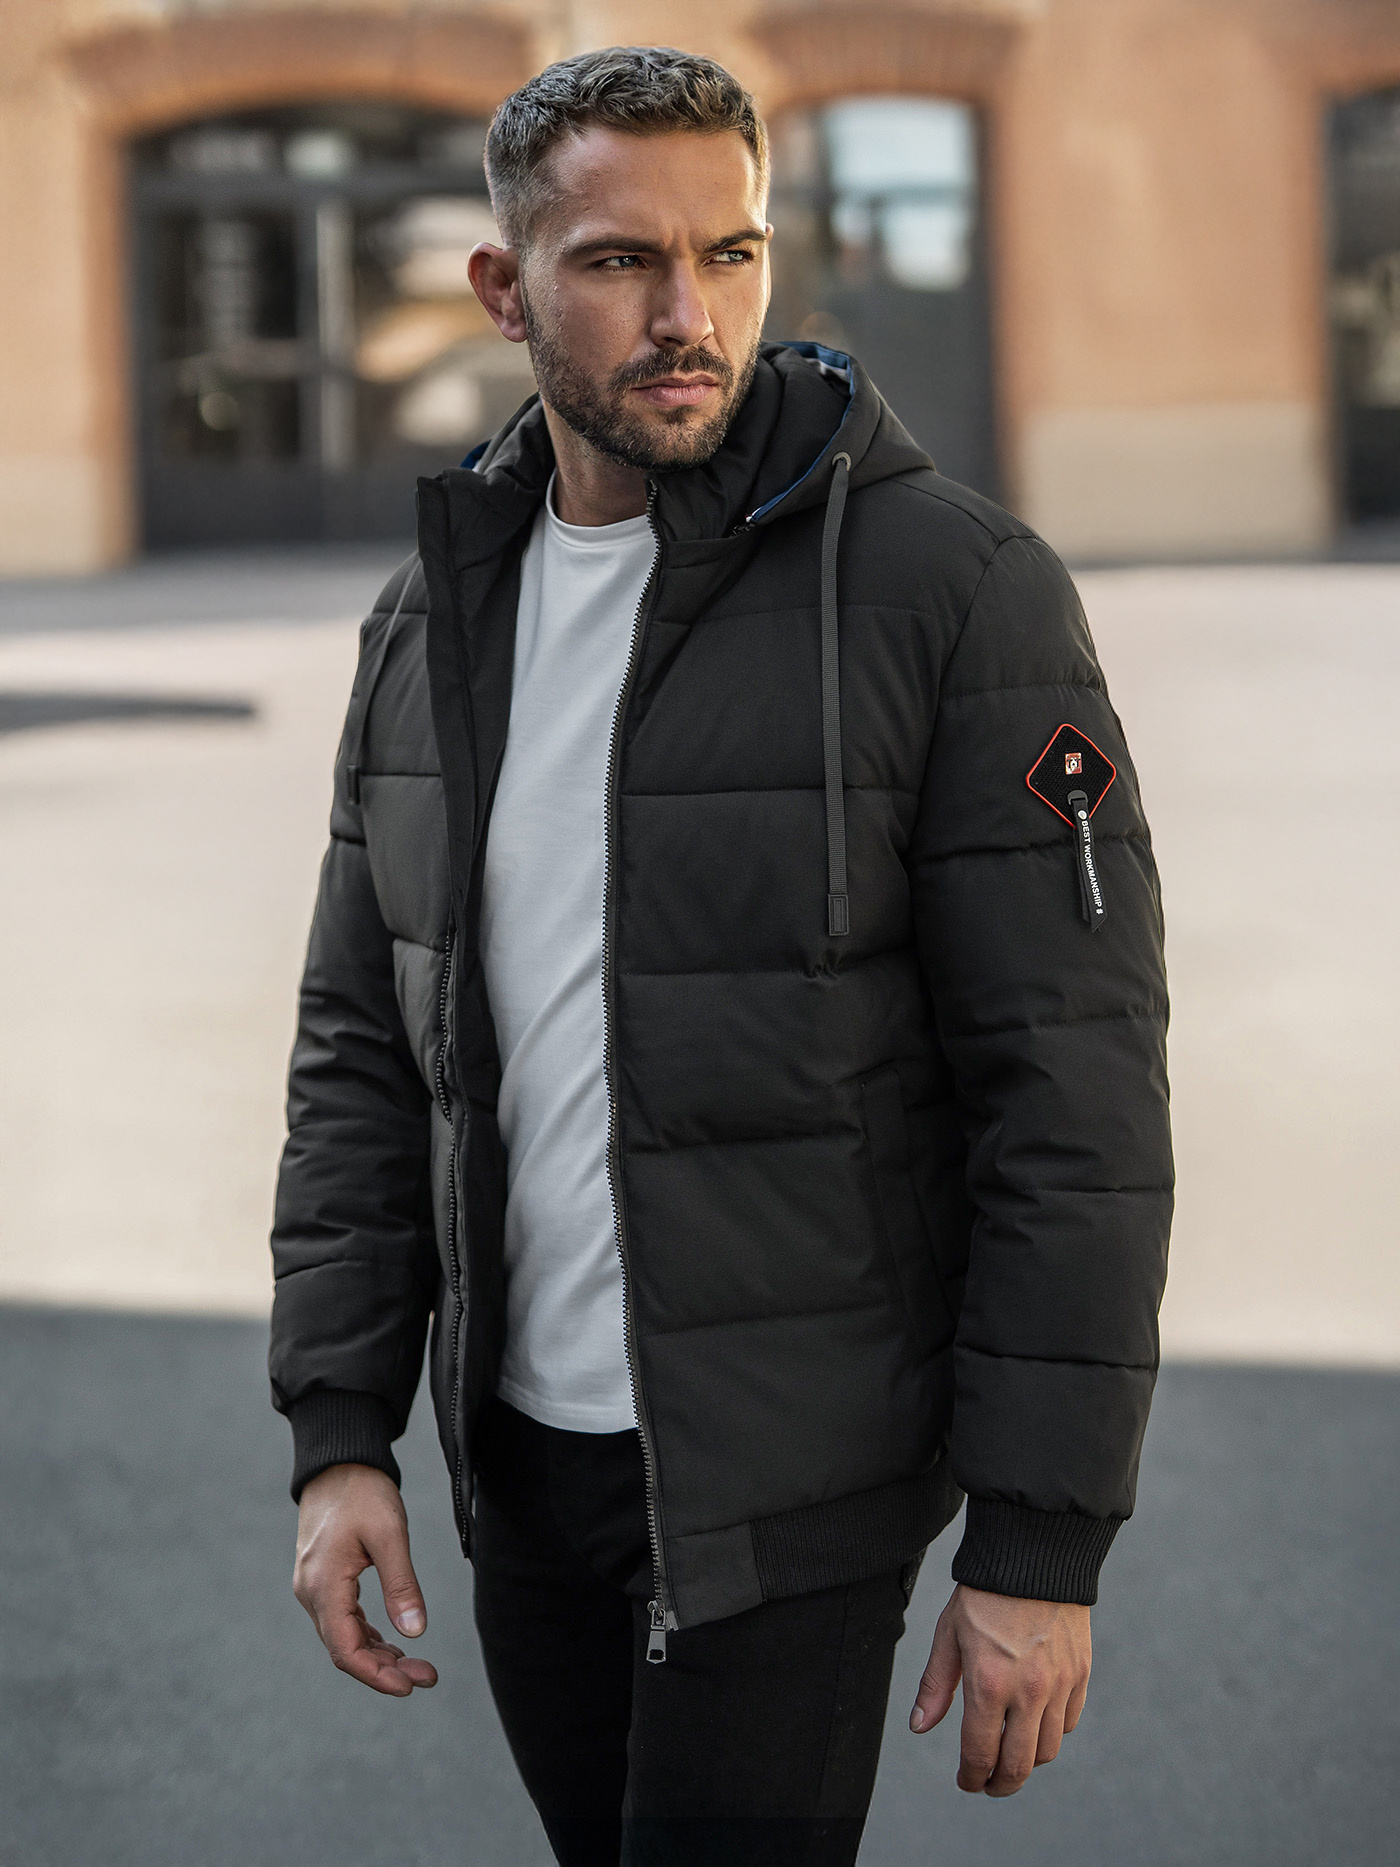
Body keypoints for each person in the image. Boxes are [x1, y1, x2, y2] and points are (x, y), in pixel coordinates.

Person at [270, 45, 1172, 1867]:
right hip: (525, 1468)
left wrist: (1040, 1539)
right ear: (505, 288)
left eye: (731, 253)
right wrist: (342, 1429)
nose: (690, 316)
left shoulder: (952, 590)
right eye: (621, 262)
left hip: (794, 1485)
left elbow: (1070, 1093)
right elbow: (369, 1044)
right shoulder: (433, 618)